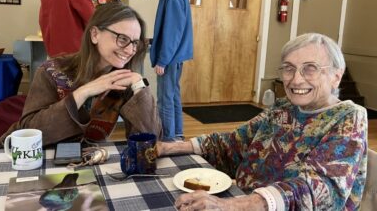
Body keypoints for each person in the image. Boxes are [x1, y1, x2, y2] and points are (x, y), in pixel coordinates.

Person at [157, 33, 368, 210]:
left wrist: (229, 206)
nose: (296, 79)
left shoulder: (349, 117)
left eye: (310, 68)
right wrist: (169, 147)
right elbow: (234, 143)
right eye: (289, 68)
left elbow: (319, 189)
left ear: (336, 77)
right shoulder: (282, 108)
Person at [0, 2, 162, 147]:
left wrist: (140, 87)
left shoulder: (123, 81)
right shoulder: (52, 71)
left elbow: (149, 144)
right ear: (95, 34)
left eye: (135, 43)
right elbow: (30, 133)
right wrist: (83, 93)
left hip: (87, 165)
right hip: (30, 159)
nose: (129, 50)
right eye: (122, 39)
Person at [150, 0, 193, 141]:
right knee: (173, 96)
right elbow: (172, 29)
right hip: (174, 57)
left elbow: (173, 32)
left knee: (164, 100)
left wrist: (162, 60)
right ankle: (177, 135)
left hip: (170, 58)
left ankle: (167, 140)